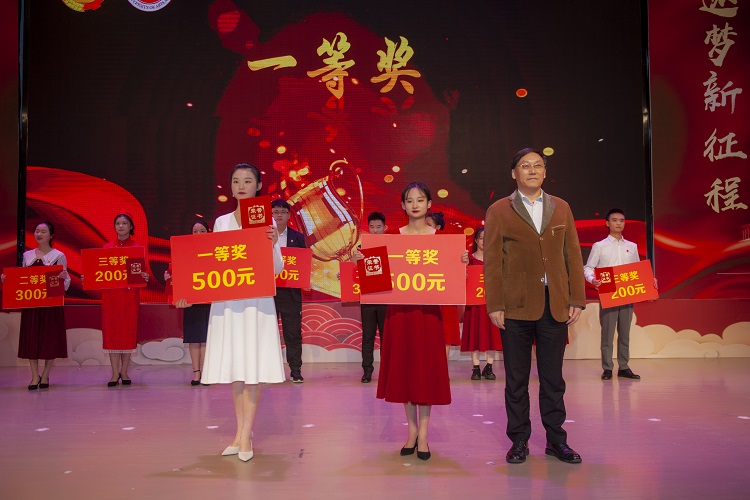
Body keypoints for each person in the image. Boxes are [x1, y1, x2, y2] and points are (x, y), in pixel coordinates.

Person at [484, 148, 586, 464]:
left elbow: (572, 254)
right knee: (516, 380)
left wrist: (576, 297)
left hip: (554, 304)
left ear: (545, 172)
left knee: (553, 379)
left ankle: (557, 441)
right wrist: (495, 304)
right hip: (515, 306)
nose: (532, 170)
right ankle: (519, 441)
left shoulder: (561, 207)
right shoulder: (499, 210)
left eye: (538, 165)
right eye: (525, 166)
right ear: (514, 173)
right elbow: (492, 261)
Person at [193, 162, 285, 462]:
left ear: (258, 186)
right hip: (229, 303)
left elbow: (277, 269)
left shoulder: (266, 221)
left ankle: (245, 435)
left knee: (253, 367)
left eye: (247, 180)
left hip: (257, 303)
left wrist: (273, 244)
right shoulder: (221, 222)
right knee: (236, 368)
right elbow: (212, 261)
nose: (241, 186)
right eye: (235, 181)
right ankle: (240, 432)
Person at [376, 182, 453, 461]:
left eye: (420, 200)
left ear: (429, 204)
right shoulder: (392, 238)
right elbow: (377, 276)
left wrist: (461, 262)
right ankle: (411, 432)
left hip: (428, 314)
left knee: (425, 372)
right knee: (406, 371)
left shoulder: (441, 239)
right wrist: (363, 260)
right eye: (410, 200)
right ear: (403, 205)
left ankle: (424, 435)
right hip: (399, 314)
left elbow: (452, 278)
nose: (415, 205)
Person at [1, 222, 70, 390]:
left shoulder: (58, 256)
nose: (39, 234)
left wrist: (63, 278)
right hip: (31, 306)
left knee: (49, 340)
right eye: (37, 231)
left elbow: (65, 281)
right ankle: (34, 376)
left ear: (51, 235)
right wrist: (6, 280)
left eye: (43, 231)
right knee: (31, 340)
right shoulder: (27, 256)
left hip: (51, 307)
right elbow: (21, 280)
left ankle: (45, 375)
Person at [584, 208, 645, 381]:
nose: (619, 223)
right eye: (615, 220)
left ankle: (624, 367)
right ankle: (607, 368)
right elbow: (588, 267)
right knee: (608, 333)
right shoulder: (600, 246)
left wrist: (649, 280)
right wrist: (593, 279)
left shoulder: (631, 246)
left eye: (622, 220)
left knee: (625, 333)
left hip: (627, 292)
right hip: (608, 291)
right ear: (607, 223)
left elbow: (637, 269)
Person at [101, 213, 150, 387]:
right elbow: (100, 273)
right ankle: (114, 373)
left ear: (131, 227)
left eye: (124, 223)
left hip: (129, 298)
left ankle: (124, 371)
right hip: (111, 298)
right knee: (112, 334)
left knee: (128, 333)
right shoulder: (107, 248)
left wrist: (144, 276)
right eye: (118, 223)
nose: (121, 226)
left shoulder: (137, 248)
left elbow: (142, 275)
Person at [165, 219, 212, 386]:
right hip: (190, 301)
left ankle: (206, 372)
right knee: (194, 338)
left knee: (205, 338)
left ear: (209, 232)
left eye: (202, 231)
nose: (198, 234)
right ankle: (196, 373)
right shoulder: (184, 251)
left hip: (209, 300)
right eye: (195, 231)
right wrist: (169, 276)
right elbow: (178, 272)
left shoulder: (215, 251)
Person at [271, 198, 306, 383]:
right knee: (267, 333)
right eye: (275, 212)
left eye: (283, 212)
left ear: (289, 215)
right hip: (268, 292)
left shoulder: (297, 237)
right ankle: (268, 370)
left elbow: (304, 263)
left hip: (290, 292)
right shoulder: (263, 235)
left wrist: (305, 280)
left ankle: (295, 369)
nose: (279, 215)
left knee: (292, 333)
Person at [460, 227, 502, 381]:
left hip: (492, 304)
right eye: (482, 238)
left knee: (492, 335)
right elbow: (460, 279)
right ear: (476, 240)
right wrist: (463, 268)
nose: (484, 241)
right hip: (474, 305)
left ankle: (489, 367)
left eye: (487, 237)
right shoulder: (469, 259)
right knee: (474, 335)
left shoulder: (496, 259)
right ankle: (476, 367)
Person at [351, 211, 389, 383]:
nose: (375, 230)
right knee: (368, 336)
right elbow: (352, 271)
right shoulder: (361, 248)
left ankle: (387, 371)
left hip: (386, 298)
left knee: (386, 337)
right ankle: (367, 370)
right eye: (372, 227)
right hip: (367, 298)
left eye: (378, 227)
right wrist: (354, 260)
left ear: (384, 228)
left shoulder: (391, 246)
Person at [425, 212, 462, 359]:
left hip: (445, 294)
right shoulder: (416, 246)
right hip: (425, 293)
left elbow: (456, 268)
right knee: (426, 330)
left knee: (446, 331)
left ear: (438, 228)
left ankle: (442, 366)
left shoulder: (450, 245)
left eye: (428, 225)